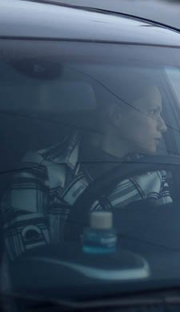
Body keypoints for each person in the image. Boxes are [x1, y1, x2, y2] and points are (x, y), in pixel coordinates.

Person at [1, 79, 171, 260]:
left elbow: (172, 242)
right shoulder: (42, 168)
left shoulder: (154, 172)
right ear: (116, 115)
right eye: (153, 112)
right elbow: (28, 263)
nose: (164, 126)